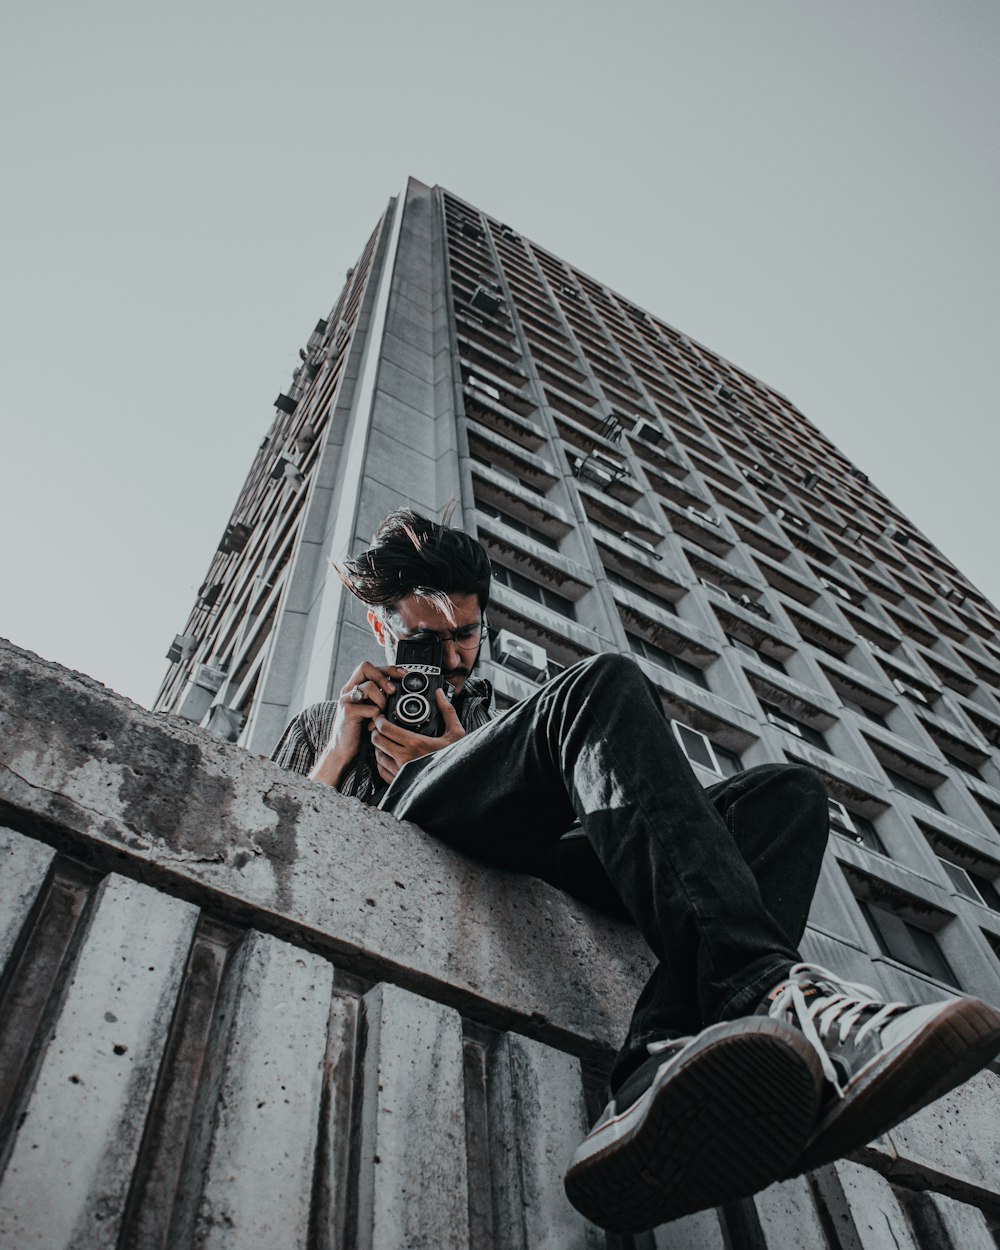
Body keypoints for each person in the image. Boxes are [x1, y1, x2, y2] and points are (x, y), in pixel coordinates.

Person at [271, 509, 1000, 1234]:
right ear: (381, 630)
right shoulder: (327, 722)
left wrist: (467, 747)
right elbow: (287, 837)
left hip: (523, 836)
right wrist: (341, 751)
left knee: (788, 796)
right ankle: (763, 990)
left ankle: (658, 1059)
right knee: (600, 681)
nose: (456, 659)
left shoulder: (505, 715)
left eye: (467, 633)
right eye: (428, 642)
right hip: (411, 812)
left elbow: (556, 810)